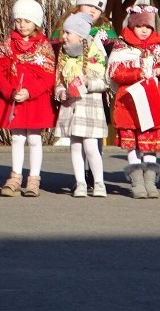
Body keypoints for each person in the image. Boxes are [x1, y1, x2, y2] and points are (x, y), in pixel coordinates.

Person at [51, 0, 117, 190]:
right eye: (90, 5)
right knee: (77, 141)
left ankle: (95, 176)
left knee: (93, 138)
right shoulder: (67, 25)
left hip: (94, 94)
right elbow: (57, 52)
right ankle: (83, 176)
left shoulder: (105, 30)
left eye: (98, 8)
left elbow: (108, 62)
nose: (93, 10)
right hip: (71, 93)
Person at [108, 4, 160, 199]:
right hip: (128, 103)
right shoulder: (122, 46)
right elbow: (115, 72)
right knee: (132, 144)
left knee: (149, 143)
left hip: (151, 102)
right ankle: (137, 181)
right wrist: (138, 72)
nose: (144, 30)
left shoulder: (159, 47)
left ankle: (150, 181)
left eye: (148, 27)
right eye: (140, 26)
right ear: (132, 26)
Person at [0, 0, 56, 197]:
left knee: (35, 139)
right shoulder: (8, 44)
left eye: (27, 21)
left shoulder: (44, 46)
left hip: (35, 100)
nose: (22, 25)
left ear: (36, 22)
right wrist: (9, 90)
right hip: (14, 98)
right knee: (18, 138)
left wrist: (30, 91)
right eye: (19, 20)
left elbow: (48, 75)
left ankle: (34, 178)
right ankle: (15, 176)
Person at [54, 12, 109, 198]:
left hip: (90, 106)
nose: (64, 36)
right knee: (75, 145)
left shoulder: (96, 53)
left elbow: (105, 82)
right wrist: (60, 92)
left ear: (80, 35)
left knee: (91, 146)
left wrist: (89, 83)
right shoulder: (63, 55)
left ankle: (99, 182)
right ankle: (80, 183)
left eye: (68, 33)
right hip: (71, 105)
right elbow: (59, 80)